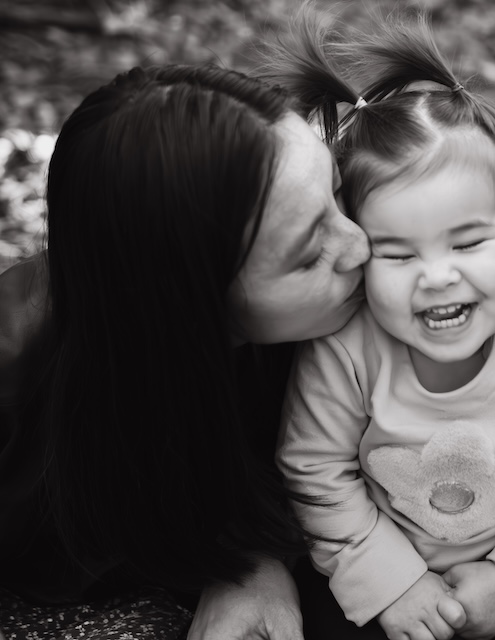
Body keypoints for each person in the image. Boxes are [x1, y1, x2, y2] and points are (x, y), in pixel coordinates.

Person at [263, 15, 495, 640]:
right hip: (365, 583)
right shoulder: (346, 347)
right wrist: (390, 583)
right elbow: (316, 471)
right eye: (397, 254)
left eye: (466, 243)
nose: (436, 277)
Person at [0, 63, 370, 639]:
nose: (359, 245)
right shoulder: (13, 374)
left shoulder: (350, 310)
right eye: (306, 253)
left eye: (339, 194)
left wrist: (253, 565)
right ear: (191, 311)